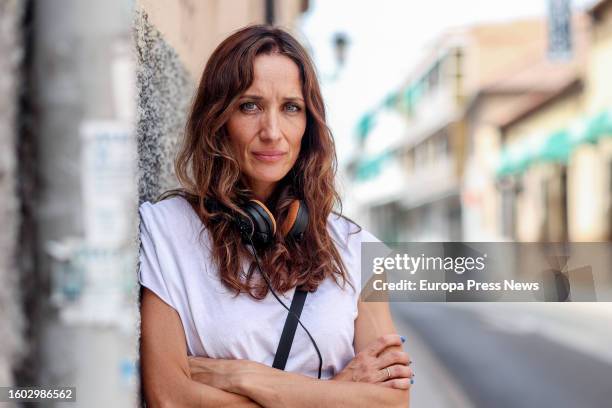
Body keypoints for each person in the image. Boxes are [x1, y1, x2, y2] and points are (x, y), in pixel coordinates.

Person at [138, 24, 414, 407]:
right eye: (249, 106)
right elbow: (170, 397)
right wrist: (336, 396)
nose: (272, 131)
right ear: (218, 120)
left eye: (291, 108)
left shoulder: (356, 249)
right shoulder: (165, 229)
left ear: (309, 124)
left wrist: (242, 375)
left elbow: (392, 403)